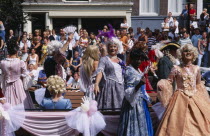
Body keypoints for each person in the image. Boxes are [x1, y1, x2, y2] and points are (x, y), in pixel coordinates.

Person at [156, 44, 210, 136]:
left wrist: (203, 100)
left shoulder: (196, 68)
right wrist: (162, 84)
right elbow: (169, 81)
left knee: (200, 121)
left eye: (190, 51)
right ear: (181, 54)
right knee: (176, 121)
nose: (188, 53)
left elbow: (198, 85)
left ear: (194, 54)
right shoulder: (176, 68)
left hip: (195, 98)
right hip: (180, 97)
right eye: (185, 51)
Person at [118, 48, 153, 136]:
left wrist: (148, 98)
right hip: (133, 105)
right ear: (132, 59)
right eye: (137, 59)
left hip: (141, 103)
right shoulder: (129, 71)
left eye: (140, 59)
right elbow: (128, 91)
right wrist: (139, 84)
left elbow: (142, 90)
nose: (139, 61)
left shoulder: (138, 70)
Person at [0, 37, 34, 108]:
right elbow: (25, 75)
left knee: (7, 105)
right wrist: (30, 75)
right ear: (16, 51)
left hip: (6, 86)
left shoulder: (2, 63)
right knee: (22, 104)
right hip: (18, 85)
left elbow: (2, 76)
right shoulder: (20, 62)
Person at [94, 40, 125, 110]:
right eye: (111, 47)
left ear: (118, 48)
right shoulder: (104, 59)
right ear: (108, 48)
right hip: (109, 87)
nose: (113, 48)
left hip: (120, 88)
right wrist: (96, 84)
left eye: (115, 46)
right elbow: (100, 71)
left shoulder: (120, 61)